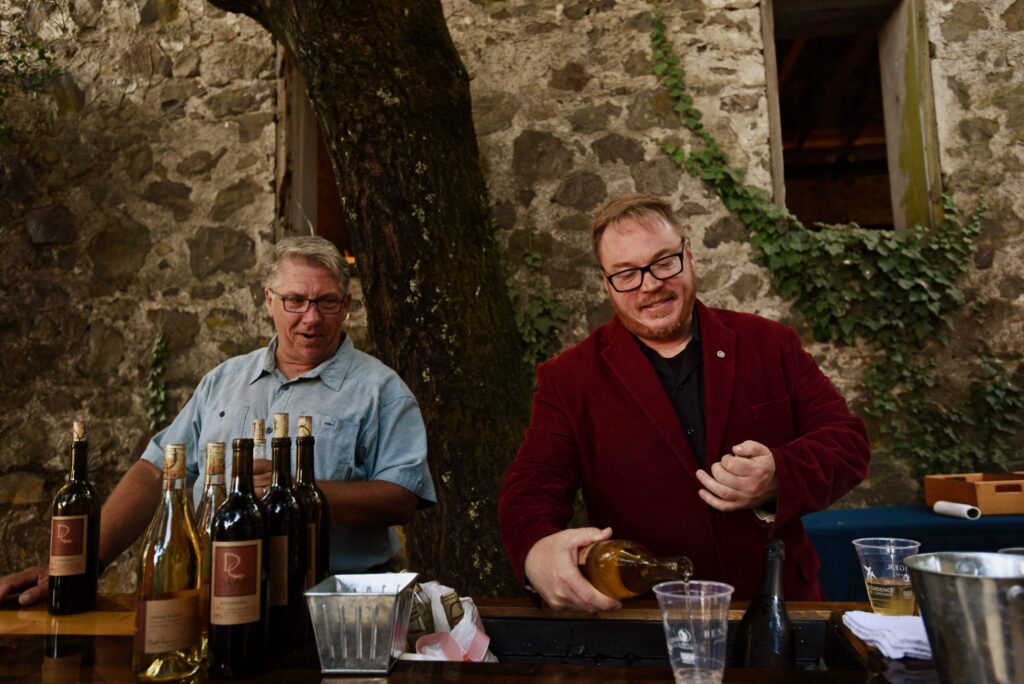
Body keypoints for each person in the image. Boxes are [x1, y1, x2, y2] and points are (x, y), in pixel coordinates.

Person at [1, 235, 436, 605]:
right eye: (295, 300)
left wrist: (303, 493)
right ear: (269, 302)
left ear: (345, 306)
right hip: (216, 595)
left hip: (333, 602)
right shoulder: (224, 381)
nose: (310, 317)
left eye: (325, 302)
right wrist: (82, 567)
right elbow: (157, 471)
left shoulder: (381, 391)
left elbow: (402, 498)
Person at [498, 194, 870, 612]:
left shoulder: (771, 343)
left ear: (688, 256)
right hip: (649, 623)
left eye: (663, 262)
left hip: (778, 607)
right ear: (606, 284)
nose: (650, 284)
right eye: (626, 273)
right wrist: (536, 551)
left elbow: (848, 442)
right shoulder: (568, 378)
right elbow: (531, 487)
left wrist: (779, 476)